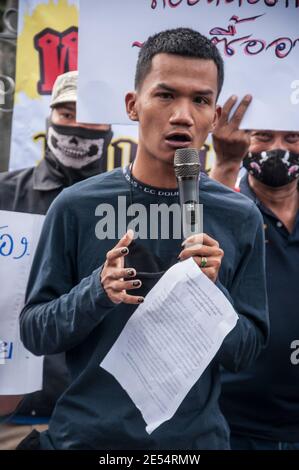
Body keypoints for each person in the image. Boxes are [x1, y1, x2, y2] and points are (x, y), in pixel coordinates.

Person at [19, 28, 268, 450]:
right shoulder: (76, 205)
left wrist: (212, 292)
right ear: (133, 105)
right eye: (166, 95)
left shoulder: (239, 215)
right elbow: (35, 333)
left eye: (200, 100)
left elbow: (245, 352)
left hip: (193, 444)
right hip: (86, 441)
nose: (183, 115)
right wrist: (96, 291)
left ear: (214, 115)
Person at [0, 70, 114, 449]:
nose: (77, 126)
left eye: (90, 116)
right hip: (10, 416)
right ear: (49, 120)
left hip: (98, 421)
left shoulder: (130, 206)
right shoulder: (4, 194)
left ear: (110, 127)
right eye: (67, 114)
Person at [211, 95, 299, 450]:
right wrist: (225, 163)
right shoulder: (227, 207)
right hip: (233, 427)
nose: (277, 149)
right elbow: (194, 254)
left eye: (291, 138)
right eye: (263, 136)